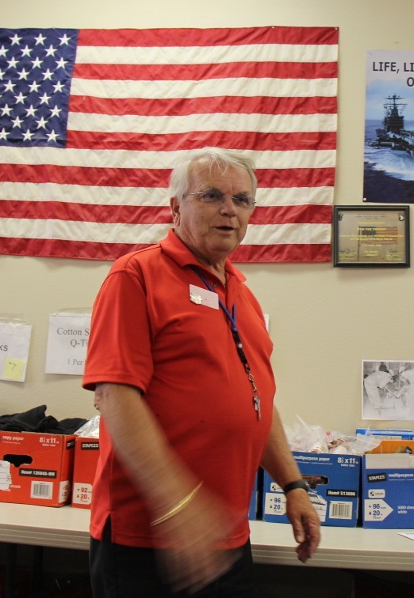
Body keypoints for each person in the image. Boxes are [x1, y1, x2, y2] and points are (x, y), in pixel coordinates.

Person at [82, 147, 321, 598]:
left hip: (225, 535)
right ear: (175, 206)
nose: (229, 210)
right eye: (212, 196)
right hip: (149, 539)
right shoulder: (135, 276)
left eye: (242, 200)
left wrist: (293, 485)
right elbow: (115, 396)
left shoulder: (241, 293)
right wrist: (179, 506)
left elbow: (256, 400)